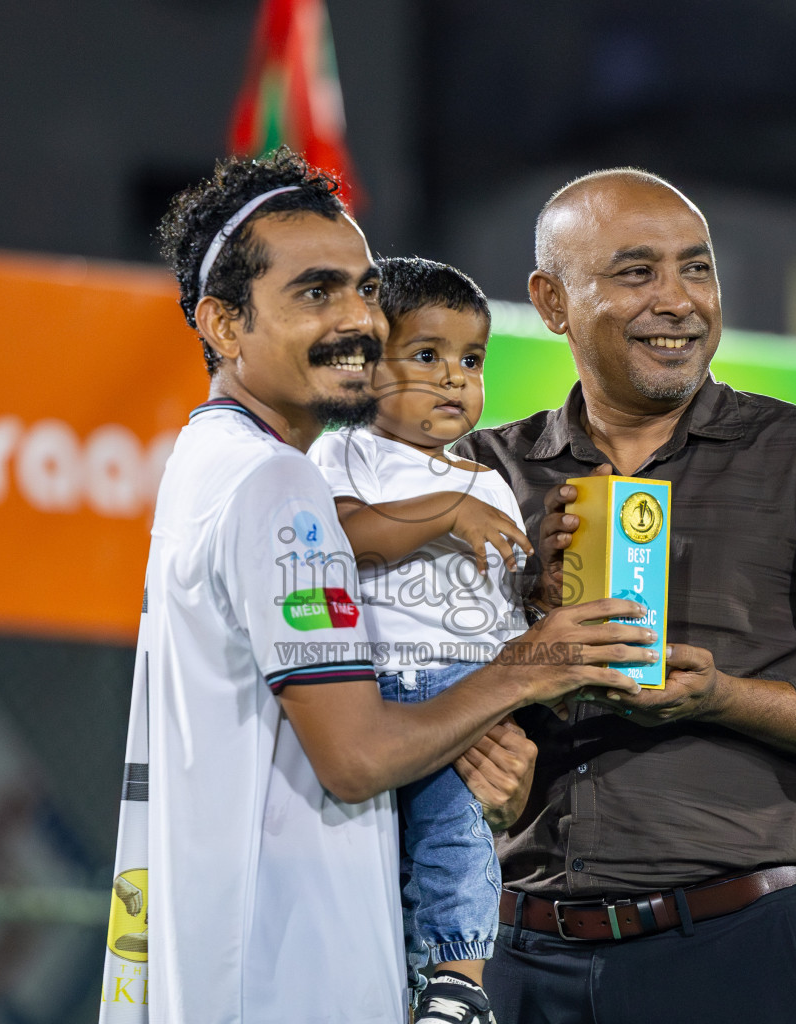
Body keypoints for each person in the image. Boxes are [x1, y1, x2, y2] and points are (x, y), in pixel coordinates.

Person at [126, 148, 658, 1024]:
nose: (356, 321)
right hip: (295, 980)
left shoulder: (207, 461)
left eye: (364, 290)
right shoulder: (281, 485)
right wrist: (530, 668)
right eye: (313, 293)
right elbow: (359, 758)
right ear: (223, 324)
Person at [453, 167, 796, 1023]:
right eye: (637, 272)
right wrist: (516, 646)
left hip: (734, 955)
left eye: (698, 268)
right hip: (515, 956)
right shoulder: (479, 477)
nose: (680, 301)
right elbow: (400, 704)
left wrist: (722, 698)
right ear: (552, 300)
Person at [310, 257, 529, 1023]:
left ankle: (457, 983)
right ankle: (404, 972)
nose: (453, 379)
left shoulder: (490, 481)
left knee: (455, 834)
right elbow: (341, 536)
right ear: (367, 366)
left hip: (463, 687)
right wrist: (442, 513)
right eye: (427, 356)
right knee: (370, 857)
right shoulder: (344, 452)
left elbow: (511, 593)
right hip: (371, 691)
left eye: (471, 361)